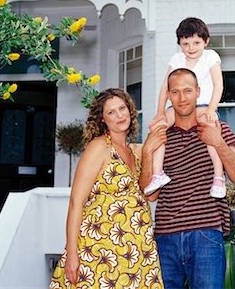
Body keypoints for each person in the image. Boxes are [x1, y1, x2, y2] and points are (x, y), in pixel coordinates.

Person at [140, 68, 235, 289]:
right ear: (168, 95)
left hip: (206, 235)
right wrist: (146, 152)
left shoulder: (217, 128)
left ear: (199, 91)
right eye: (176, 92)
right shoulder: (160, 136)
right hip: (165, 238)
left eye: (188, 90)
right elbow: (150, 194)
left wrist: (217, 142)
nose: (182, 98)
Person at [50, 88, 164, 289]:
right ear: (102, 119)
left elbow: (152, 194)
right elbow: (76, 202)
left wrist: (148, 152)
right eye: (111, 112)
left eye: (122, 108)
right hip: (100, 250)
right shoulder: (99, 147)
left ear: (130, 111)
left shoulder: (137, 151)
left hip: (137, 249)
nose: (119, 115)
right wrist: (72, 253)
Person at [144, 17, 225, 198]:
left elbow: (218, 84)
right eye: (185, 43)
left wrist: (212, 109)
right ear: (180, 44)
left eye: (196, 42)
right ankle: (158, 173)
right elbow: (165, 87)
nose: (191, 48)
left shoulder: (210, 57)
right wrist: (159, 112)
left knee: (210, 128)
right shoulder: (177, 59)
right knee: (159, 126)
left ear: (206, 41)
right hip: (181, 107)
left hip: (203, 106)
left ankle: (218, 176)